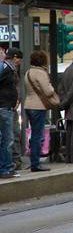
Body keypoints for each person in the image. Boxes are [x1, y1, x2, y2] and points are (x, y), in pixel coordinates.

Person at [24, 50, 60, 172]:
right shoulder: (40, 73)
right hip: (38, 106)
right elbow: (48, 91)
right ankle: (36, 163)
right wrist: (52, 86)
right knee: (37, 135)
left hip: (29, 105)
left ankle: (34, 161)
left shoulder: (28, 72)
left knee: (34, 134)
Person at [0, 48, 22, 178]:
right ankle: (7, 168)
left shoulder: (7, 67)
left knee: (5, 139)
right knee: (7, 139)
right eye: (19, 59)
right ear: (14, 57)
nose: (19, 62)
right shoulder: (6, 68)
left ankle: (5, 167)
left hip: (6, 107)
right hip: (4, 107)